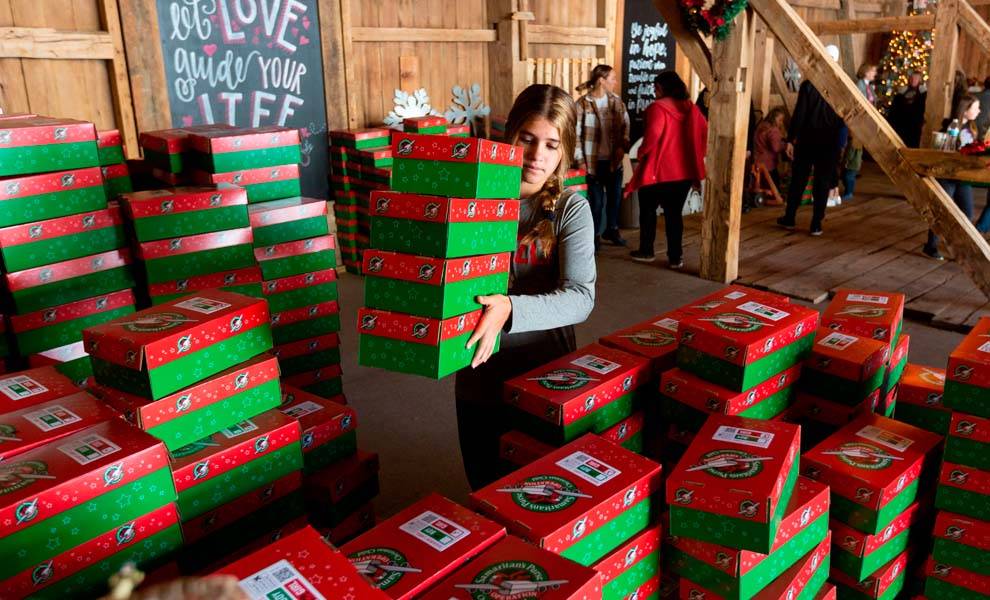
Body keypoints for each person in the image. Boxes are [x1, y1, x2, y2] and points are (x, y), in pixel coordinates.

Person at [455, 84, 596, 490]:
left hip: (543, 375)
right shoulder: (474, 200)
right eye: (528, 140)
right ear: (509, 135)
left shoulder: (570, 208)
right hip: (476, 371)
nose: (537, 156)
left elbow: (581, 297)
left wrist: (510, 309)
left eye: (551, 145)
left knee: (537, 491)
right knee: (483, 485)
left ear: (564, 150)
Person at [625, 71, 708, 268]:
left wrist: (642, 152)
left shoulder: (657, 108)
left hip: (659, 171)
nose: (654, 91)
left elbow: (652, 135)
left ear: (663, 88)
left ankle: (646, 251)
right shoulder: (692, 109)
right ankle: (675, 257)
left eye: (656, 88)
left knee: (647, 210)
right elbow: (704, 133)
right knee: (674, 215)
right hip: (684, 172)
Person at [778, 45, 845, 236]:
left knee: (798, 180)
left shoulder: (808, 85)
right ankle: (816, 224)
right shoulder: (841, 89)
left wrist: (791, 139)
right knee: (822, 183)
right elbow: (843, 118)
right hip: (829, 143)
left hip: (808, 141)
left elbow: (800, 115)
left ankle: (790, 218)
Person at [575, 64, 631, 249]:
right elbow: (575, 136)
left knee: (615, 199)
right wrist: (580, 162)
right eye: (612, 79)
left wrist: (623, 146)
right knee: (596, 202)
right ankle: (595, 235)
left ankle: (612, 230)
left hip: (613, 162)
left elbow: (626, 127)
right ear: (601, 81)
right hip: (593, 163)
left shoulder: (616, 102)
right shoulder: (582, 104)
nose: (615, 82)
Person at [924, 94, 981, 260]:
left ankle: (960, 247)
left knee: (968, 213)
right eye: (976, 108)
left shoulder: (972, 128)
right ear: (965, 110)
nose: (979, 111)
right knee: (942, 211)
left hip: (963, 177)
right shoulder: (951, 127)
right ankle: (931, 245)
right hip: (947, 176)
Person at [841, 63, 878, 201]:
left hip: (865, 125)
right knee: (852, 157)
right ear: (866, 72)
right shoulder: (859, 86)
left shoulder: (868, 87)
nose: (875, 73)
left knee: (855, 157)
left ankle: (848, 188)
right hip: (857, 126)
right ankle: (848, 189)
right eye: (873, 70)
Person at [753, 106, 789, 194]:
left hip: (757, 160)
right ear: (774, 118)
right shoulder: (773, 129)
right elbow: (776, 148)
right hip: (768, 165)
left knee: (761, 186)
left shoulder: (762, 125)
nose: (781, 123)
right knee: (775, 190)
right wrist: (786, 146)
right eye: (780, 120)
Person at [889, 71, 927, 148]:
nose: (913, 80)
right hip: (901, 122)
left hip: (914, 124)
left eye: (916, 78)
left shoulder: (923, 93)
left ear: (920, 80)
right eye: (912, 78)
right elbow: (894, 109)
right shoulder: (901, 93)